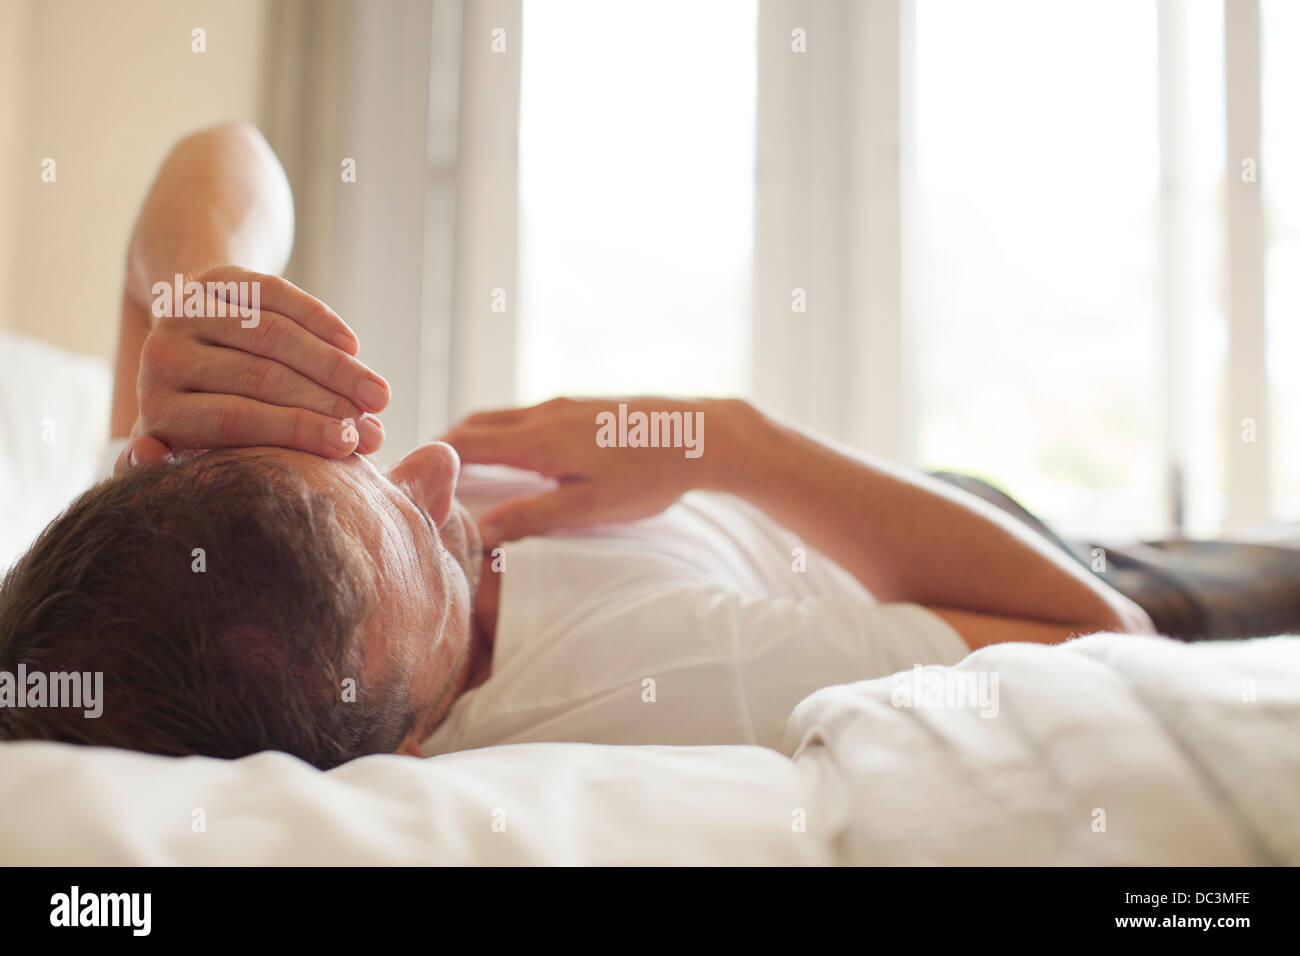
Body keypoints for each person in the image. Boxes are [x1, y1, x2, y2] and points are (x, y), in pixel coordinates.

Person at [0, 124, 1153, 769]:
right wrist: (721, 437)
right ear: (404, 742)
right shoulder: (683, 680)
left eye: (365, 461)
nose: (439, 467)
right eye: (437, 562)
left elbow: (221, 155)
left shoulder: (158, 561)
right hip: (1007, 548)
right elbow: (1107, 636)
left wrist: (201, 288)